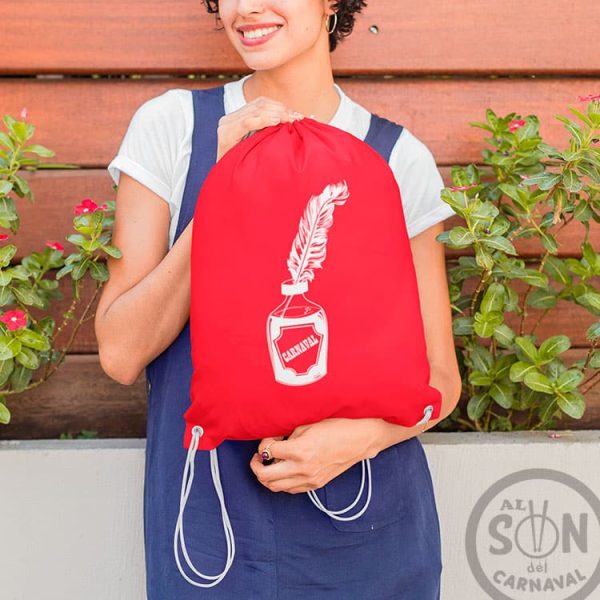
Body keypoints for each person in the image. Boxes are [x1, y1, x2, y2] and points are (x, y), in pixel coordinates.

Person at [95, 1, 462, 598]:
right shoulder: (175, 127)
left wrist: (362, 437)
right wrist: (221, 186)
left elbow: (441, 378)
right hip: (212, 529)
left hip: (367, 522)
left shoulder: (396, 157)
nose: (247, 7)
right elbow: (120, 353)